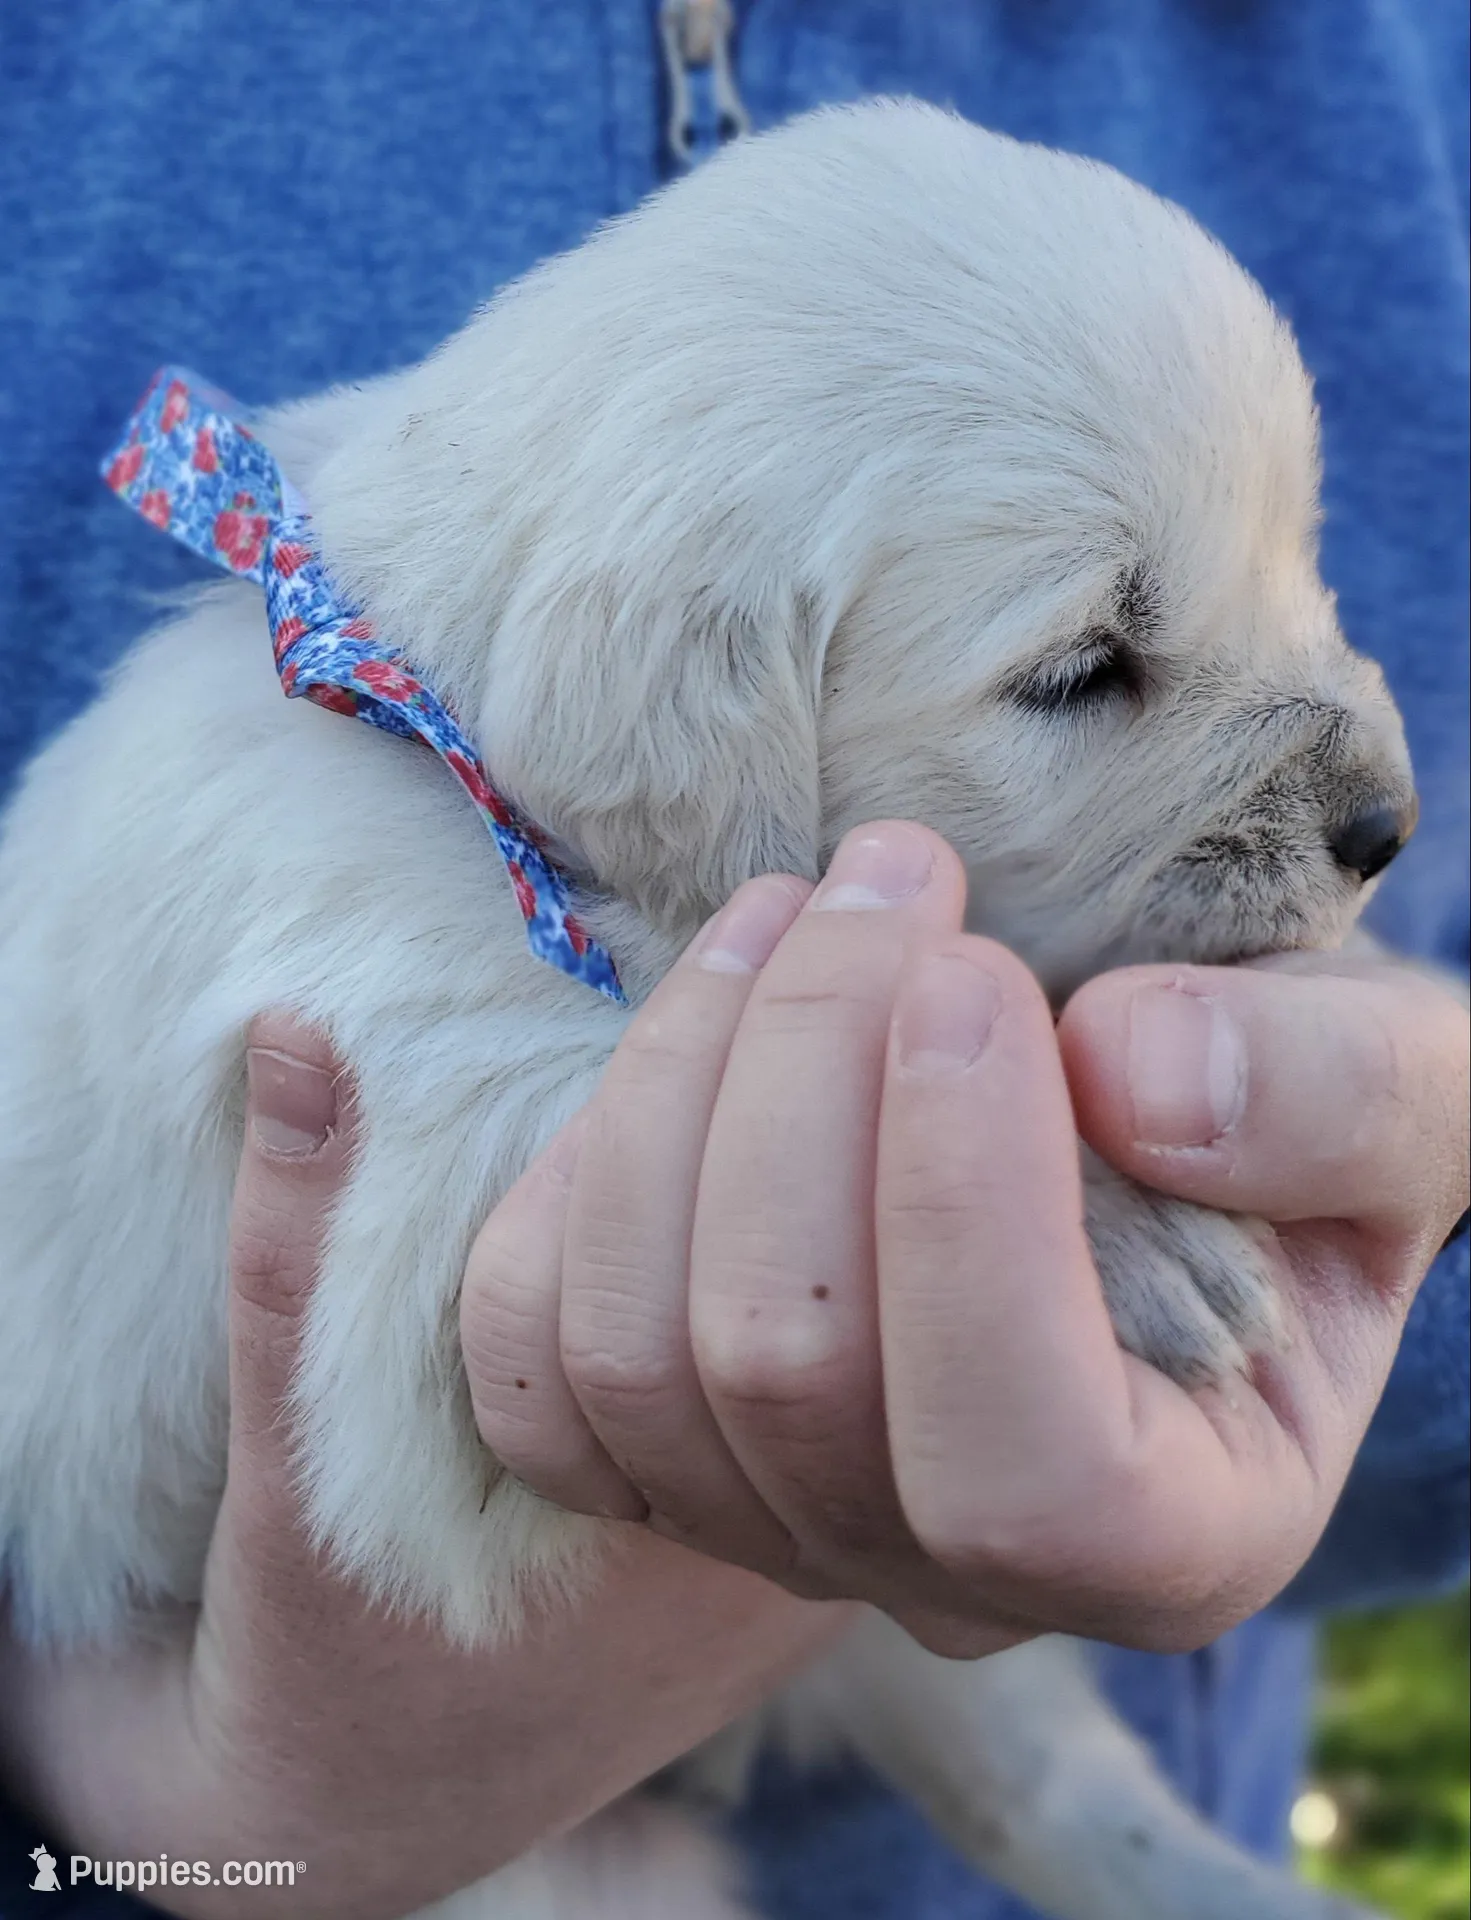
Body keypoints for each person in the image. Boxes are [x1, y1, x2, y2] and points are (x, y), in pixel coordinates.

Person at [0, 4, 1465, 1917]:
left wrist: (1397, 1196)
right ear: (693, 732)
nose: (1369, 784)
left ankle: (1112, 1852)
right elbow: (503, 1276)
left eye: (1302, 560)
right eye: (1089, 671)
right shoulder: (320, 823)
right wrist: (170, 1811)